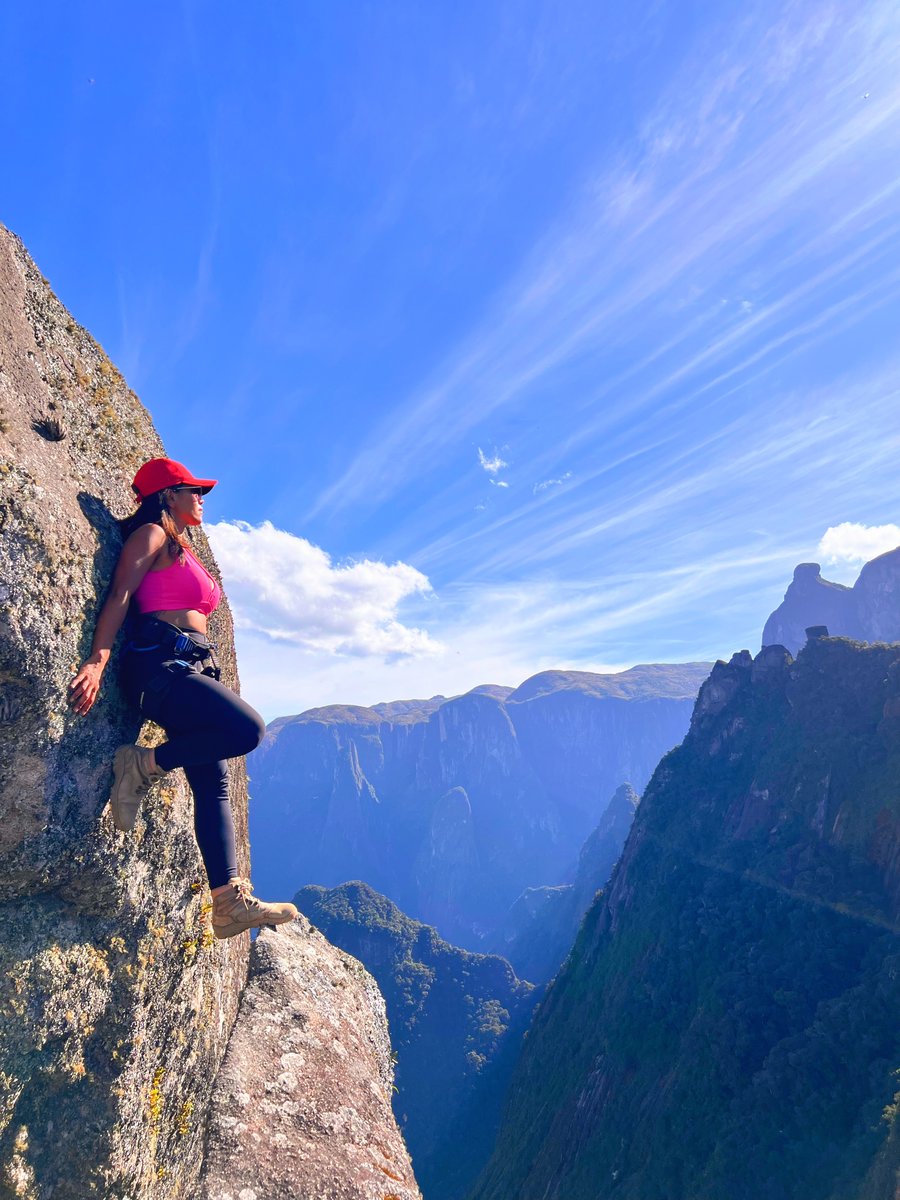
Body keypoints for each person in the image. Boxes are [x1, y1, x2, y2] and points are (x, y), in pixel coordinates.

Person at [68, 456, 298, 939]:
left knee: (213, 782)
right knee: (247, 730)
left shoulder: (181, 545)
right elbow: (119, 598)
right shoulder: (151, 534)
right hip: (157, 668)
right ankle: (143, 764)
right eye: (193, 489)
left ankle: (227, 904)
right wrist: (97, 659)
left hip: (187, 670)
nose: (202, 498)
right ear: (166, 494)